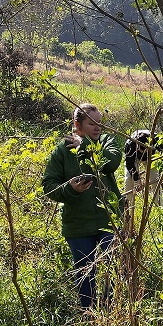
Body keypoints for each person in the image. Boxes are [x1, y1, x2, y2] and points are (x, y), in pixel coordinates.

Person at [42, 103, 123, 308]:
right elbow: (49, 186)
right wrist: (70, 189)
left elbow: (112, 162)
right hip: (78, 224)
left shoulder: (106, 142)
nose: (98, 128)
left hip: (108, 221)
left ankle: (113, 313)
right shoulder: (61, 151)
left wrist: (84, 147)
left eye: (100, 123)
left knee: (112, 268)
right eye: (92, 123)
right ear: (77, 125)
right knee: (85, 273)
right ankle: (88, 317)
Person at [123, 129, 163, 209]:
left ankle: (159, 206)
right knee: (129, 179)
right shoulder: (130, 144)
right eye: (140, 150)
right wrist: (137, 180)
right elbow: (129, 164)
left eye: (144, 150)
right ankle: (128, 206)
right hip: (134, 158)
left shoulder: (157, 140)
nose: (142, 152)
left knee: (155, 179)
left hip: (151, 158)